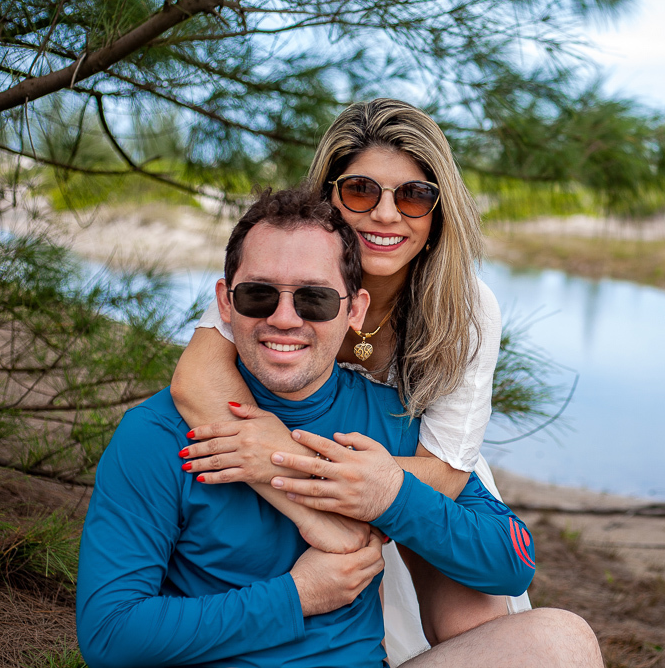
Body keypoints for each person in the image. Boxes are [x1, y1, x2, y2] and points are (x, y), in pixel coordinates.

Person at [77, 185, 598, 667]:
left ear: (355, 310)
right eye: (259, 295)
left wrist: (388, 495)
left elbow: (512, 562)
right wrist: (297, 597)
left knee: (560, 641)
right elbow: (109, 635)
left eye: (315, 299)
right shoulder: (157, 434)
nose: (284, 318)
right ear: (224, 303)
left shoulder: (391, 421)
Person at [168, 99, 587, 662]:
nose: (386, 215)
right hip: (272, 452)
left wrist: (303, 467)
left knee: (474, 613)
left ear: (439, 213)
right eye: (361, 191)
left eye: (414, 196)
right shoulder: (279, 269)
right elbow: (198, 380)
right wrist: (296, 488)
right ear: (329, 194)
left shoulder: (467, 308)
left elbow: (443, 469)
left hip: (408, 468)